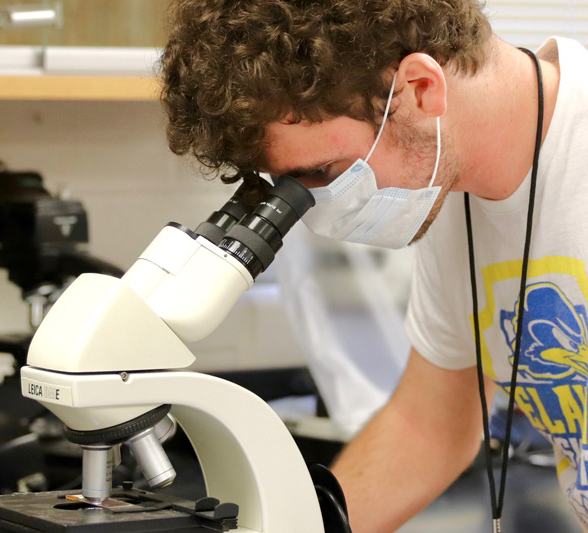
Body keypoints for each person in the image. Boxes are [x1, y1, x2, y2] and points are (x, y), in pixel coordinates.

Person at [158, 1, 588, 531]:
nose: (314, 205)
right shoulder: (453, 188)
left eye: (321, 171)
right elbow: (428, 428)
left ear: (421, 89)